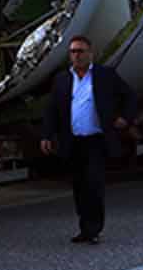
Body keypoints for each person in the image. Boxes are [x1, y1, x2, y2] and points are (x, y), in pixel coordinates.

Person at [40, 34, 134, 243]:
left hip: (96, 141)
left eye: (81, 51)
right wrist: (46, 135)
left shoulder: (104, 76)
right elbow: (52, 109)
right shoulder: (63, 79)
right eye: (73, 52)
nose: (77, 55)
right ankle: (84, 227)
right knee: (79, 186)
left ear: (90, 54)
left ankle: (94, 228)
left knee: (94, 183)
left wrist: (124, 118)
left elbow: (129, 96)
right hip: (73, 141)